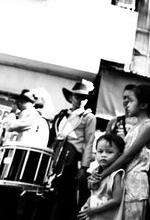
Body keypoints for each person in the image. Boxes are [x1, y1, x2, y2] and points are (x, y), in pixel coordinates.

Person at [89, 84, 150, 220]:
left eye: (130, 101)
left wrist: (102, 175)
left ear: (143, 105)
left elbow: (127, 156)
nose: (127, 104)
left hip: (135, 186)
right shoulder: (136, 127)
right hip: (125, 182)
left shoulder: (148, 127)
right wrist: (99, 171)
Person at [49, 80, 96, 220]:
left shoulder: (88, 117)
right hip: (55, 156)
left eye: (85, 98)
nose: (81, 100)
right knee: (49, 194)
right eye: (78, 96)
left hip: (72, 159)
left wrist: (84, 166)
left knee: (66, 196)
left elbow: (89, 142)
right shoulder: (62, 114)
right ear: (70, 98)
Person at [78, 133, 125, 220]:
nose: (103, 155)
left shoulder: (116, 175)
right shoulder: (96, 171)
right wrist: (87, 204)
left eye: (109, 152)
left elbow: (116, 200)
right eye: (100, 151)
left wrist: (94, 210)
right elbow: (95, 195)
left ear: (119, 155)